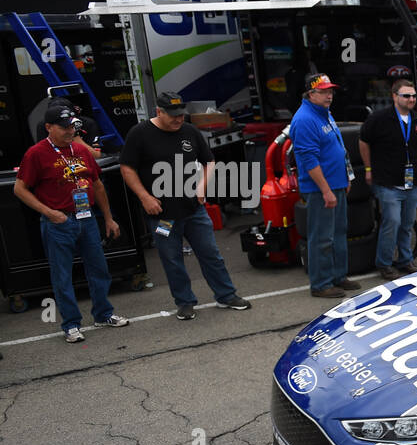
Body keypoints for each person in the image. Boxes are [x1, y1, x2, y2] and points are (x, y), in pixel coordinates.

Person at [119, 91, 250, 319]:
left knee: (210, 253)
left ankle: (226, 295)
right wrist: (144, 197)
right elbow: (127, 168)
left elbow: (209, 161)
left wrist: (202, 187)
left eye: (180, 114)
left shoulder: (189, 131)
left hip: (194, 209)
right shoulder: (139, 133)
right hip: (163, 215)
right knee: (172, 259)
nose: (178, 119)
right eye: (172, 115)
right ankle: (185, 302)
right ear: (158, 112)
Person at [13, 104, 130, 342]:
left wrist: (108, 218)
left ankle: (103, 313)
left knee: (99, 268)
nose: (69, 131)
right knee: (62, 275)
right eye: (63, 127)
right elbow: (19, 188)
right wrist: (49, 212)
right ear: (48, 127)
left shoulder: (80, 150)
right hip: (59, 221)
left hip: (86, 218)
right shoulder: (36, 153)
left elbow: (97, 184)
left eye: (71, 127)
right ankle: (71, 324)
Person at [290, 73, 361, 298]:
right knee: (322, 237)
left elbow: (338, 146)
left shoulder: (324, 113)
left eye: (330, 91)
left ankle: (339, 276)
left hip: (336, 184)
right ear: (311, 93)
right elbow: (309, 160)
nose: (329, 95)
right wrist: (326, 190)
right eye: (323, 91)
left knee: (338, 233)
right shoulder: (304, 120)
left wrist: (346, 177)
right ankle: (321, 284)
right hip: (321, 189)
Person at [359, 78, 417, 281]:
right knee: (392, 221)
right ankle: (384, 263)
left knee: (407, 223)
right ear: (394, 96)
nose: (411, 99)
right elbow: (363, 142)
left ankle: (405, 260)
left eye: (414, 96)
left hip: (412, 183)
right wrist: (368, 168)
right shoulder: (378, 119)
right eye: (406, 95)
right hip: (387, 182)